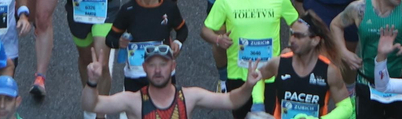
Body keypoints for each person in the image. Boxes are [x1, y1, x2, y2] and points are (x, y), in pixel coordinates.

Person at [198, 0, 294, 112]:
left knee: (270, 115)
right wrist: (218, 39)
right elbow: (205, 30)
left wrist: (291, 48)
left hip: (269, 75)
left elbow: (299, 25)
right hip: (238, 74)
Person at [79, 54, 266, 118]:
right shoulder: (133, 100)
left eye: (163, 64)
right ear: (144, 68)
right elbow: (92, 105)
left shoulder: (189, 97)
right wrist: (92, 81)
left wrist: (248, 85)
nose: (158, 70)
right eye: (152, 65)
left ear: (173, 66)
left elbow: (232, 101)